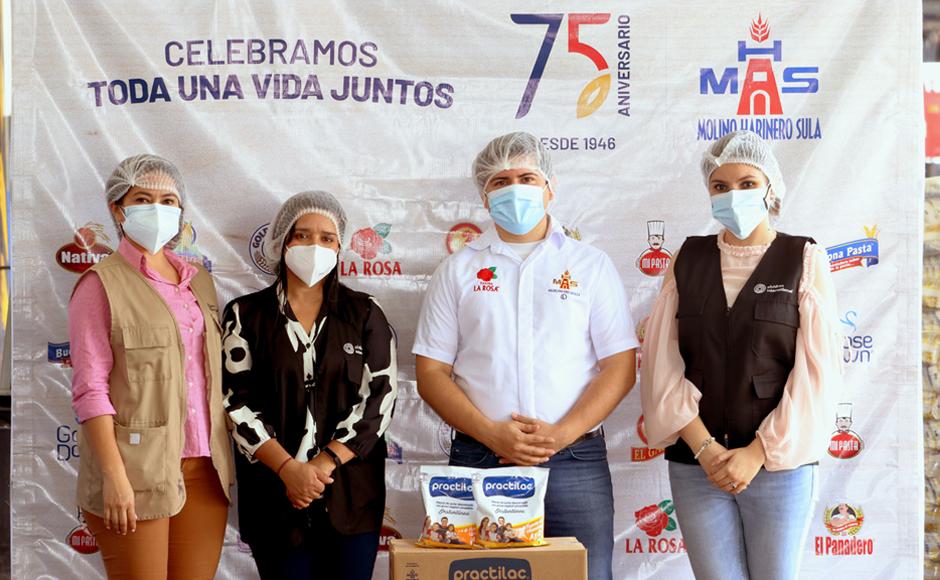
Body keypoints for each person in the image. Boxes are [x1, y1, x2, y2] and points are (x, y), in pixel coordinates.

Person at [414, 131, 638, 580]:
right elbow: (431, 371)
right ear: (484, 194)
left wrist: (559, 435)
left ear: (549, 188)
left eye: (527, 177)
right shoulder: (457, 270)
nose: (514, 188)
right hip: (481, 457)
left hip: (574, 461)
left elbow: (620, 366)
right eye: (500, 181)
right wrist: (492, 434)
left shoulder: (590, 265)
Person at [640, 131, 841, 580]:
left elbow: (815, 375)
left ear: (771, 187)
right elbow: (661, 364)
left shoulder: (803, 258)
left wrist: (758, 453)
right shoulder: (686, 259)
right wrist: (706, 448)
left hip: (779, 467)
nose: (733, 195)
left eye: (747, 183)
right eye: (720, 186)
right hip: (697, 467)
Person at [69, 154, 234, 579]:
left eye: (169, 200)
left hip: (205, 469)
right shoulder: (99, 284)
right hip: (135, 471)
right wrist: (114, 476)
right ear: (118, 209)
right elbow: (91, 390)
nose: (158, 209)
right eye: (144, 198)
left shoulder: (200, 281)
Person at [222, 191, 398, 580]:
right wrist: (288, 469)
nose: (314, 246)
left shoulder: (366, 313)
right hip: (274, 494)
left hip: (351, 496)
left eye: (327, 237)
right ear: (282, 241)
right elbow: (235, 402)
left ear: (340, 247)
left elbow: (379, 398)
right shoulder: (244, 315)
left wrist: (323, 463)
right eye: (301, 235)